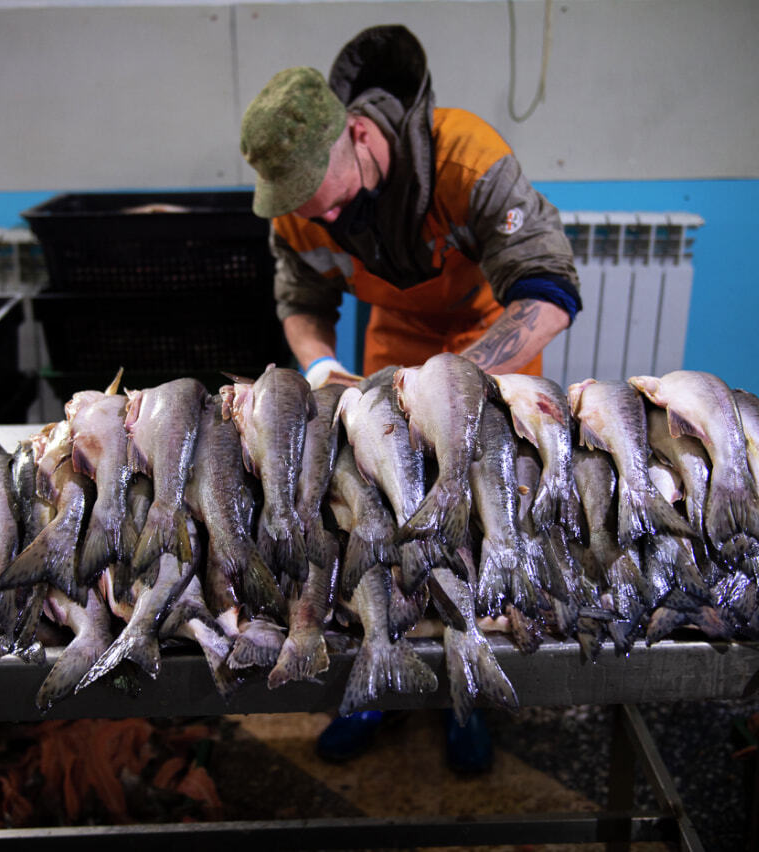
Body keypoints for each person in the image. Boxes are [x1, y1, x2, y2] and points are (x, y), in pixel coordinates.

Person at [239, 25, 583, 772]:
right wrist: (324, 365)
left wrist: (453, 385)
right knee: (379, 513)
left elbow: (550, 293)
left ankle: (470, 689)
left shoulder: (468, 156)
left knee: (477, 515)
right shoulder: (302, 204)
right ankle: (377, 680)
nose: (319, 219)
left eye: (324, 200)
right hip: (394, 343)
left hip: (494, 338)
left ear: (358, 136)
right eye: (304, 208)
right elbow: (299, 299)